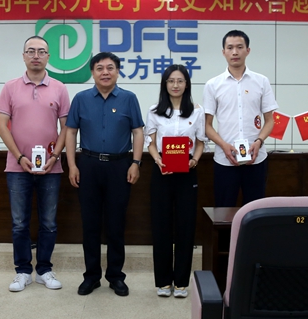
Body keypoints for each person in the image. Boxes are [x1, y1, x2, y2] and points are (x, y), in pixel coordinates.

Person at [64, 52, 145, 296]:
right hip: (88, 165)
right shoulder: (81, 98)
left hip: (119, 166)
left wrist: (136, 163)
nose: (105, 72)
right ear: (92, 72)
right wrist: (72, 165)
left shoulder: (129, 98)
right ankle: (91, 276)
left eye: (110, 68)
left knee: (116, 224)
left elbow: (138, 132)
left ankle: (116, 276)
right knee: (90, 223)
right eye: (100, 68)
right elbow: (70, 132)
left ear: (118, 71)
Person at [0, 35, 69, 292]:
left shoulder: (59, 88)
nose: (36, 55)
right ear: (23, 56)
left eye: (41, 51)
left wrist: (55, 156)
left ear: (48, 56)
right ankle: (23, 271)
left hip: (51, 168)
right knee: (19, 223)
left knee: (49, 222)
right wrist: (19, 156)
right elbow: (1, 126)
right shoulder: (10, 87)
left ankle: (44, 270)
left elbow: (67, 128)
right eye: (31, 51)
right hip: (18, 167)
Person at [145, 64, 206, 298]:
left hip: (187, 171)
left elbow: (200, 142)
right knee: (161, 226)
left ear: (186, 84)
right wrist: (158, 160)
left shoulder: (197, 111)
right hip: (161, 170)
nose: (175, 85)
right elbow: (150, 142)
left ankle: (181, 282)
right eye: (171, 81)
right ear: (165, 84)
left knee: (185, 226)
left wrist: (195, 160)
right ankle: (163, 282)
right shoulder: (154, 111)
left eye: (180, 81)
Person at [203, 29, 278, 206]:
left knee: (255, 211)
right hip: (225, 160)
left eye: (239, 47)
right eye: (230, 48)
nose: (235, 52)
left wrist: (259, 141)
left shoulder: (261, 81)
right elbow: (206, 125)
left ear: (247, 50)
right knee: (223, 211)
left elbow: (270, 120)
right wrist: (223, 145)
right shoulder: (213, 85)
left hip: (256, 158)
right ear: (223, 52)